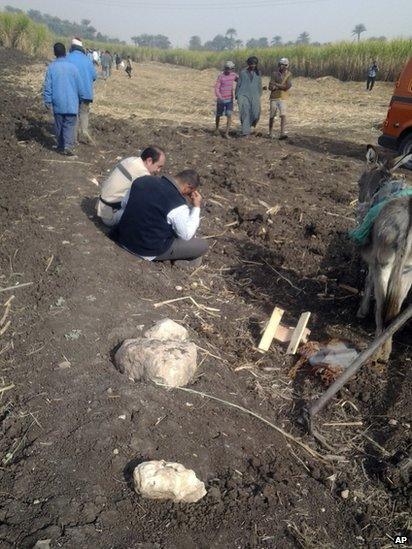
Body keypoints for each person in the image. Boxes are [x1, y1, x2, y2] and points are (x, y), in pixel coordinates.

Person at [117, 169, 208, 267]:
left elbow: (124, 204)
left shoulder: (142, 181)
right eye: (190, 192)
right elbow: (186, 235)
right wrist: (196, 207)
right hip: (144, 249)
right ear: (188, 187)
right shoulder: (178, 204)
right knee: (202, 245)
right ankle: (181, 262)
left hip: (121, 237)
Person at [97, 146, 166, 227]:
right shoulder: (142, 174)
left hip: (103, 208)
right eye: (159, 166)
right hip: (111, 216)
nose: (158, 171)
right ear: (149, 161)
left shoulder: (131, 160)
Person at [43, 42, 85, 156]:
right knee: (69, 125)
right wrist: (81, 98)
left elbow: (48, 86)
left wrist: (47, 100)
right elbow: (80, 86)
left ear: (54, 53)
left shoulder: (52, 67)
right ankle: (68, 146)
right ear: (65, 52)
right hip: (72, 103)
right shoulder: (73, 68)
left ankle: (61, 145)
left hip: (58, 102)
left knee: (59, 125)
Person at [67, 37, 97, 144]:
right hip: (86, 93)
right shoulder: (87, 60)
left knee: (74, 114)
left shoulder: (68, 58)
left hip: (73, 93)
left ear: (72, 47)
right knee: (84, 113)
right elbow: (94, 76)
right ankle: (84, 131)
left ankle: (74, 139)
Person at [235, 56, 262, 137]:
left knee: (256, 113)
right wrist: (236, 95)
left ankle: (248, 126)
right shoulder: (243, 72)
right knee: (245, 112)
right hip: (243, 95)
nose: (253, 66)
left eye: (254, 64)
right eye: (251, 64)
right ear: (248, 64)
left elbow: (259, 84)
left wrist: (259, 94)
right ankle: (246, 132)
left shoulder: (258, 73)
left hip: (255, 95)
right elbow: (239, 84)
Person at [268, 57, 292, 140]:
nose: (281, 66)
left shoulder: (288, 74)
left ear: (286, 66)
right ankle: (270, 133)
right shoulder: (274, 73)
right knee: (272, 115)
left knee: (283, 115)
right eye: (281, 65)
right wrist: (279, 86)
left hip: (282, 97)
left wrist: (276, 85)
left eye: (283, 65)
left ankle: (282, 133)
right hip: (274, 97)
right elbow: (270, 87)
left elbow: (287, 87)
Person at [214, 61, 238, 138]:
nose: (228, 70)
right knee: (218, 114)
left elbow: (241, 81)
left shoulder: (234, 75)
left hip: (229, 100)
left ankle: (226, 133)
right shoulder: (221, 76)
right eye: (227, 68)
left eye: (230, 69)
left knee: (229, 115)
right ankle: (217, 129)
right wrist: (220, 97)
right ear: (225, 68)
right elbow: (217, 88)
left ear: (232, 69)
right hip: (221, 100)